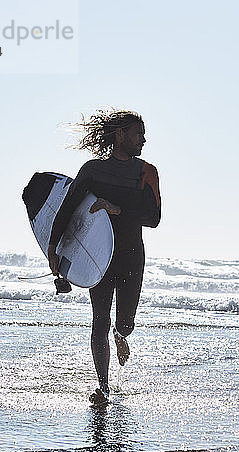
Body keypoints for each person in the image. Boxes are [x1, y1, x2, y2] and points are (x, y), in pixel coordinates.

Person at [48, 109, 161, 404]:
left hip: (131, 253)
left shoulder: (146, 172)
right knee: (99, 320)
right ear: (120, 135)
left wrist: (117, 209)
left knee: (124, 323)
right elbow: (67, 210)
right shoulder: (92, 171)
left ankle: (120, 335)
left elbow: (154, 218)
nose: (144, 140)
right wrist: (53, 249)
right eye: (139, 134)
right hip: (99, 255)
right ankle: (104, 387)